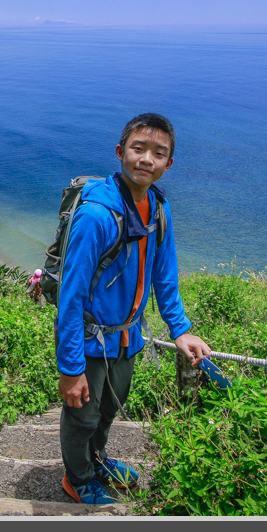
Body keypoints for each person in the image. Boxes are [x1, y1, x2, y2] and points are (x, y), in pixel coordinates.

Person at [56, 113, 212, 505]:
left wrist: (180, 330)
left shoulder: (158, 207)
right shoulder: (96, 215)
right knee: (83, 415)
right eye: (138, 148)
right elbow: (70, 298)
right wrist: (70, 368)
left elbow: (165, 274)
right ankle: (77, 478)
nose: (147, 159)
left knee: (110, 407)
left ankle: (97, 458)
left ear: (169, 163)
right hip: (91, 342)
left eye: (159, 153)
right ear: (120, 152)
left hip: (128, 336)